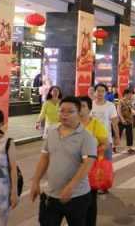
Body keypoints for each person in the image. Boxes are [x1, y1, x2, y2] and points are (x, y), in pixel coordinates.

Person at [30, 97, 97, 226]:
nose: (64, 114)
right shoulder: (52, 131)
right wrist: (35, 181)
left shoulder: (86, 137)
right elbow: (45, 157)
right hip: (51, 195)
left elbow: (87, 164)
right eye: (61, 111)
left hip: (77, 196)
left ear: (79, 113)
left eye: (70, 111)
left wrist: (70, 187)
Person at [79, 96, 108, 226]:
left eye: (83, 106)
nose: (80, 108)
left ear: (89, 109)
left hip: (90, 169)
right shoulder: (71, 124)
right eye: (78, 105)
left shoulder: (96, 124)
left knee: (90, 201)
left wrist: (92, 153)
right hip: (73, 169)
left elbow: (105, 144)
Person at [0, 108, 19, 225]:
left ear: (1, 124)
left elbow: (13, 169)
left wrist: (14, 192)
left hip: (0, 193)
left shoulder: (7, 142)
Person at [90, 84, 120, 163]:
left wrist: (117, 137)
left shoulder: (110, 105)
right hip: (91, 140)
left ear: (106, 93)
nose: (100, 93)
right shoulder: (90, 105)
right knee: (92, 164)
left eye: (103, 91)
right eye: (98, 91)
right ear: (95, 92)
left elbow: (114, 123)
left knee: (106, 163)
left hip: (106, 139)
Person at [118, 89, 135, 154]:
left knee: (129, 135)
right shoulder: (121, 101)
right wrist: (122, 119)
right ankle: (113, 147)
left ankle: (129, 148)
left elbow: (131, 109)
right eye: (130, 94)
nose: (131, 95)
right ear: (126, 94)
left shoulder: (129, 101)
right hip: (121, 121)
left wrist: (133, 111)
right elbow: (119, 111)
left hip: (129, 120)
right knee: (118, 134)